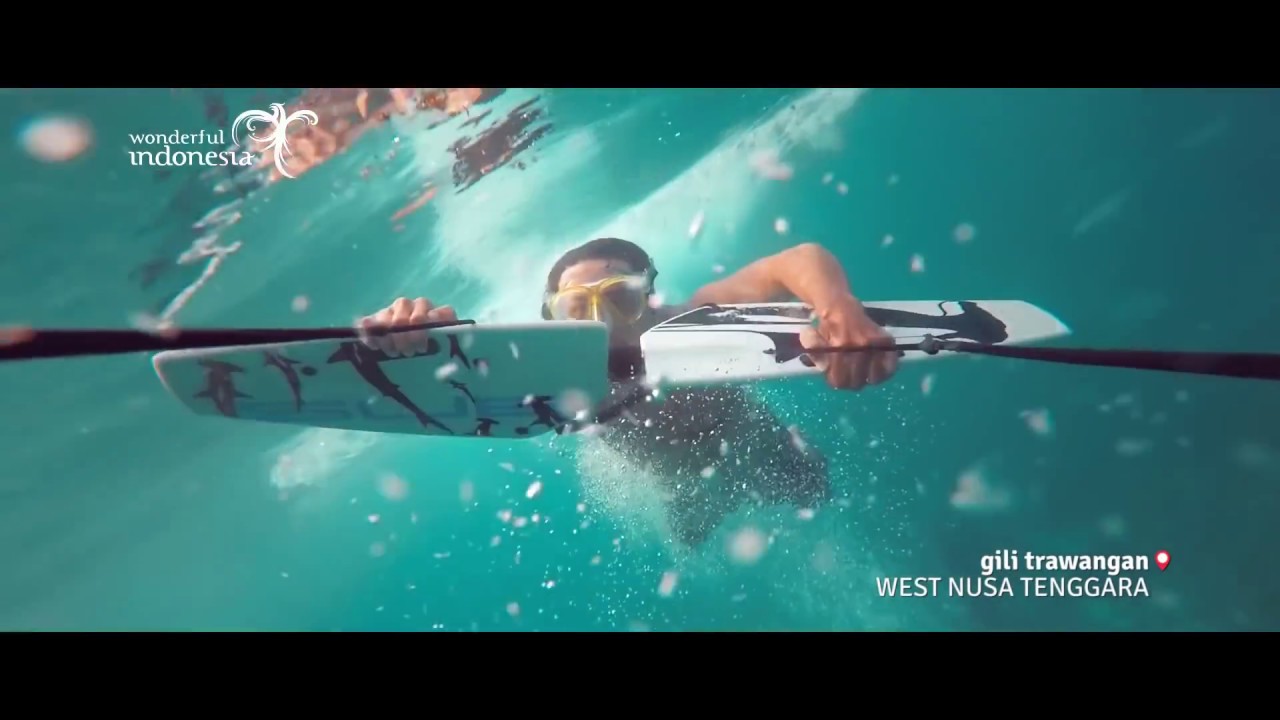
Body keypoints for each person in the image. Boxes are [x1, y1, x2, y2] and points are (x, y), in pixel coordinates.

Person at [360, 238, 899, 545]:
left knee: (821, 498)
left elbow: (794, 260)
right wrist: (416, 339)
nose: (601, 322)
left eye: (619, 298)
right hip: (680, 487)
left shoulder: (692, 317)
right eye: (577, 308)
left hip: (754, 441)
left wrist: (837, 308)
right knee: (693, 549)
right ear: (555, 318)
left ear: (651, 298)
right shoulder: (547, 370)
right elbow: (459, 373)